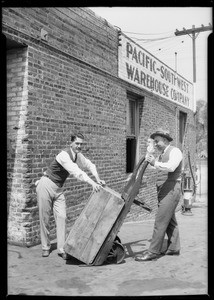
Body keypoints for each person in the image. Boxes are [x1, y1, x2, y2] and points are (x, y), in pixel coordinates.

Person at [36, 132, 105, 259]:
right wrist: (92, 183)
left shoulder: (78, 156)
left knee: (62, 216)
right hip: (46, 184)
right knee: (45, 217)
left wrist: (98, 178)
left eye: (81, 144)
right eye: (77, 143)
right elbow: (76, 171)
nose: (79, 146)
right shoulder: (64, 155)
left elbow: (90, 165)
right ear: (71, 143)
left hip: (58, 189)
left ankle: (62, 249)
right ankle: (45, 247)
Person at [135, 129, 183, 261]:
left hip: (171, 189)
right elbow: (151, 166)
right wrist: (149, 152)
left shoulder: (175, 151)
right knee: (169, 220)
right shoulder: (161, 154)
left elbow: (171, 167)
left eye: (157, 141)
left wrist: (154, 162)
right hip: (163, 190)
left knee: (160, 221)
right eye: (154, 142)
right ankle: (173, 248)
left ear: (166, 140)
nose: (155, 144)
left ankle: (153, 252)